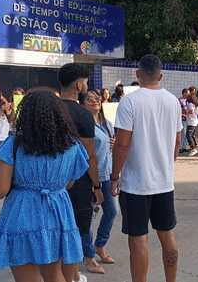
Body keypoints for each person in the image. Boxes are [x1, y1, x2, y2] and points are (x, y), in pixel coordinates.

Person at [0, 90, 89, 282]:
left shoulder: (14, 144)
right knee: (55, 274)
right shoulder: (73, 146)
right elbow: (70, 182)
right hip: (58, 213)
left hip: (22, 213)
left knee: (27, 276)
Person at [111, 55, 181, 282]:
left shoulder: (130, 102)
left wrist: (114, 176)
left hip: (135, 185)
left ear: (137, 75)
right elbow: (178, 142)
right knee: (167, 235)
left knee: (138, 239)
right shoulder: (173, 102)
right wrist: (166, 165)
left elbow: (122, 144)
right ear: (160, 76)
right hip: (164, 182)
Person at [58, 63, 103, 282]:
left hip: (51, 179)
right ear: (78, 84)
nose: (86, 85)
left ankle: (56, 272)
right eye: (85, 81)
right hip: (78, 182)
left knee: (55, 227)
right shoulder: (83, 115)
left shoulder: (49, 108)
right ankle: (73, 275)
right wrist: (96, 186)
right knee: (76, 229)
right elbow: (89, 156)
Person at [82, 89, 118, 274]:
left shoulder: (107, 123)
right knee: (88, 218)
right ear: (83, 105)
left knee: (112, 211)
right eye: (89, 99)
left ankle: (100, 245)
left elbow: (112, 147)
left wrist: (113, 144)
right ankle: (88, 257)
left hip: (107, 173)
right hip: (90, 176)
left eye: (96, 98)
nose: (94, 101)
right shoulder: (84, 125)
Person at [185, 91, 198, 156]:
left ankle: (193, 149)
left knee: (188, 135)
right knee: (191, 135)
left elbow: (191, 111)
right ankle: (194, 147)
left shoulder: (190, 104)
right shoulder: (195, 104)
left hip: (192, 122)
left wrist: (184, 113)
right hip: (193, 121)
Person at [178, 89, 190, 154]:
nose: (188, 95)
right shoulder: (179, 100)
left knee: (186, 133)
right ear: (183, 93)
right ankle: (180, 147)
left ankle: (185, 147)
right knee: (182, 133)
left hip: (188, 119)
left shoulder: (188, 100)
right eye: (187, 93)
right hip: (182, 118)